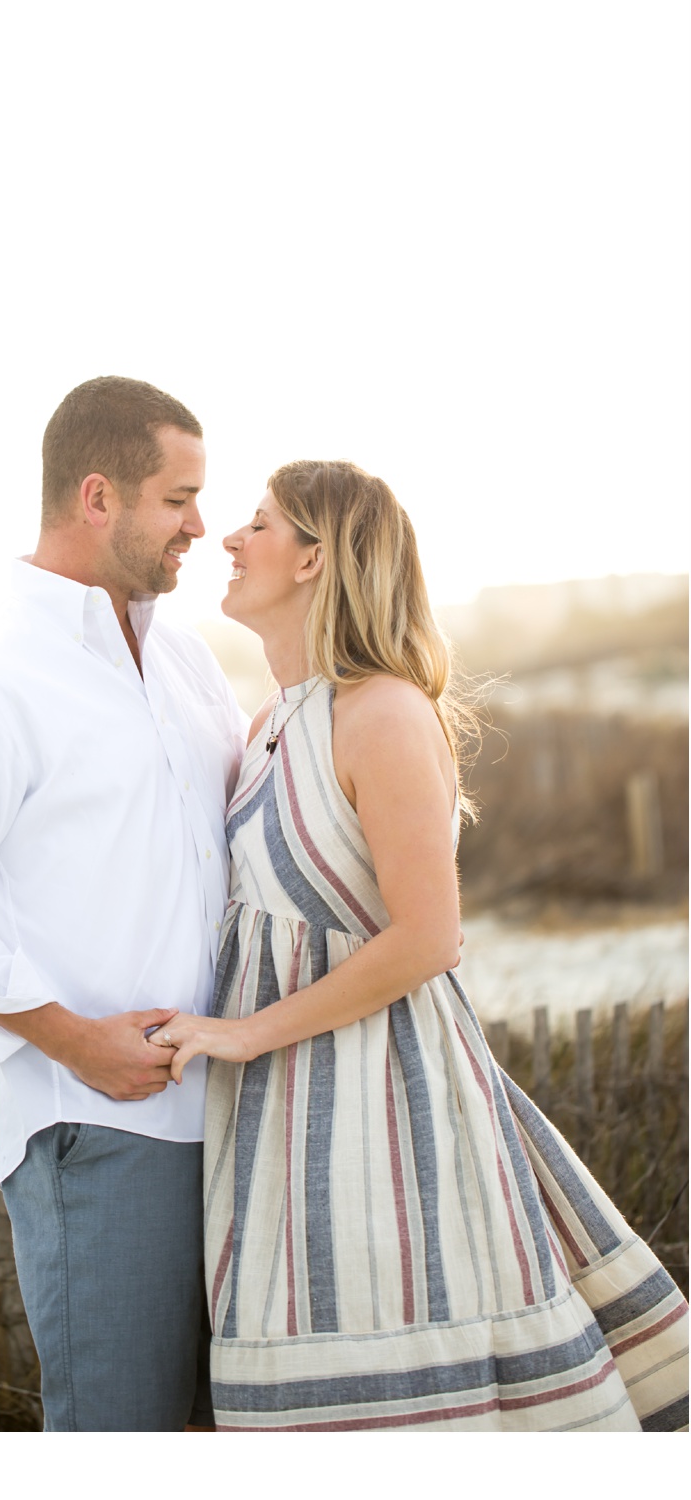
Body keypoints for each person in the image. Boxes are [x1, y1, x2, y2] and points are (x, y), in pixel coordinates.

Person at [150, 461, 688, 1431]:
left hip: (376, 1104)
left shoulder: (381, 711)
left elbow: (428, 938)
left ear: (313, 558)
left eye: (258, 523)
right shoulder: (272, 721)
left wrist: (238, 1035)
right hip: (277, 1113)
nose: (228, 539)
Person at [0, 376, 247, 1431]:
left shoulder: (180, 657)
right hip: (99, 1123)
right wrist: (74, 1041)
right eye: (177, 498)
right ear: (97, 495)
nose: (198, 525)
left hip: (232, 1112)